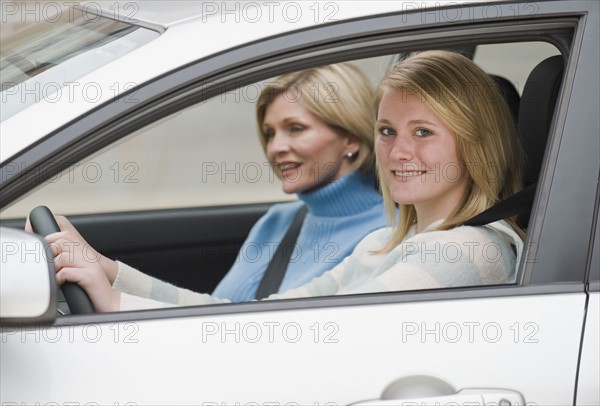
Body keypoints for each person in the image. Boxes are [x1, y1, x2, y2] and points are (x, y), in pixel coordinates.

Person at [38, 50, 525, 312]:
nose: (397, 152)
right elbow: (253, 315)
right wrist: (109, 272)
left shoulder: (468, 251)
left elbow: (311, 336)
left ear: (474, 141)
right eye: (387, 131)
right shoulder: (383, 243)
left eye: (423, 132)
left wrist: (117, 305)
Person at [35, 63, 387, 307]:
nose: (275, 147)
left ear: (351, 138)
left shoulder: (385, 234)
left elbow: (259, 330)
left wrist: (114, 298)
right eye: (269, 132)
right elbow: (216, 312)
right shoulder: (279, 221)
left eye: (295, 128)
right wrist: (102, 266)